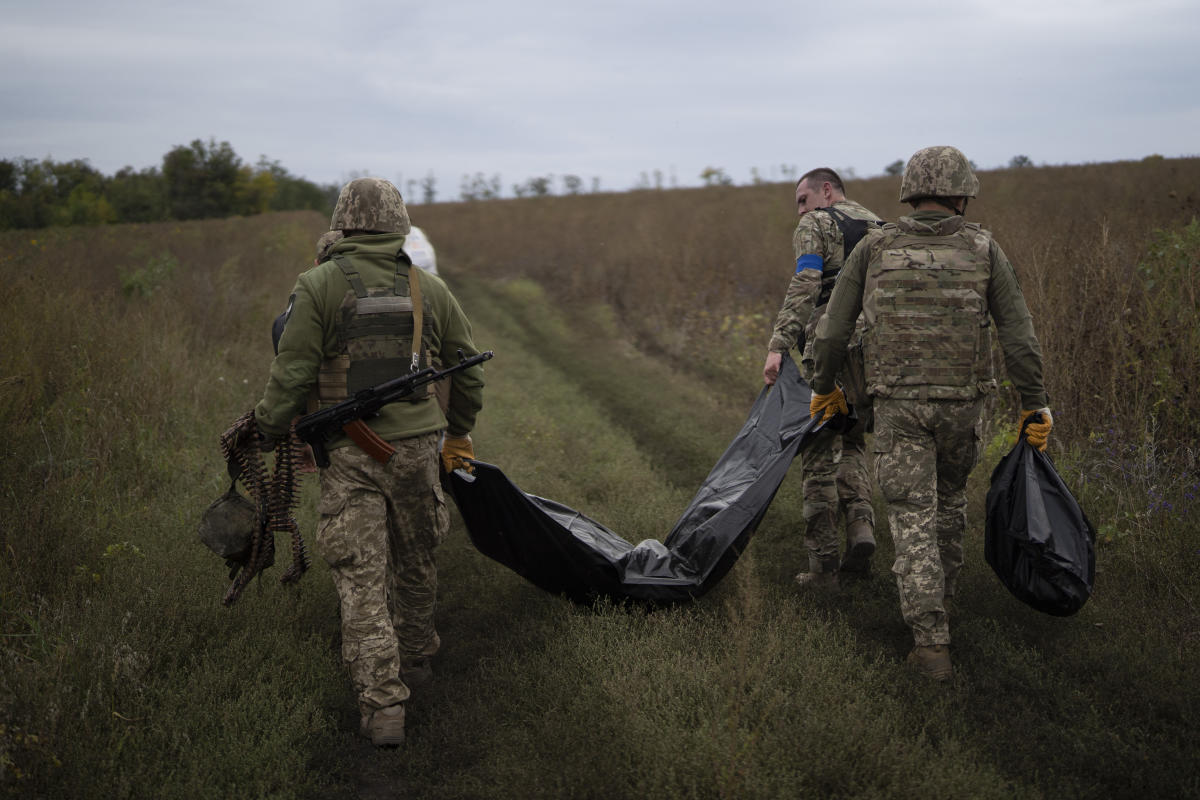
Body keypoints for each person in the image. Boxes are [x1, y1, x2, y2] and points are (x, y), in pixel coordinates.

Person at [253, 177, 486, 744]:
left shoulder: (317, 284)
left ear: (344, 224)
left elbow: (292, 373)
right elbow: (467, 371)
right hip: (418, 451)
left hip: (350, 454)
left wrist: (265, 430)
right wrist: (457, 433)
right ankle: (415, 662)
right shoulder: (429, 287)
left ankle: (384, 706)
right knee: (417, 559)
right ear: (398, 225)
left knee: (360, 575)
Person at [808, 146, 1051, 681]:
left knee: (910, 515)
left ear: (910, 194)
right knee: (948, 507)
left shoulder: (873, 248)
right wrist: (1035, 403)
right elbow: (1019, 335)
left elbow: (831, 332)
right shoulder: (985, 249)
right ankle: (943, 613)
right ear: (962, 194)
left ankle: (930, 643)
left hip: (898, 407)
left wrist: (823, 388)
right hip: (965, 407)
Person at [762, 168, 882, 591]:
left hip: (831, 349)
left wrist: (779, 344)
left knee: (816, 446)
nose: (799, 211)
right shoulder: (880, 227)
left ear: (826, 191)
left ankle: (823, 567)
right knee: (851, 439)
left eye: (801, 199)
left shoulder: (816, 223)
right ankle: (862, 528)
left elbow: (806, 283)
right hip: (878, 356)